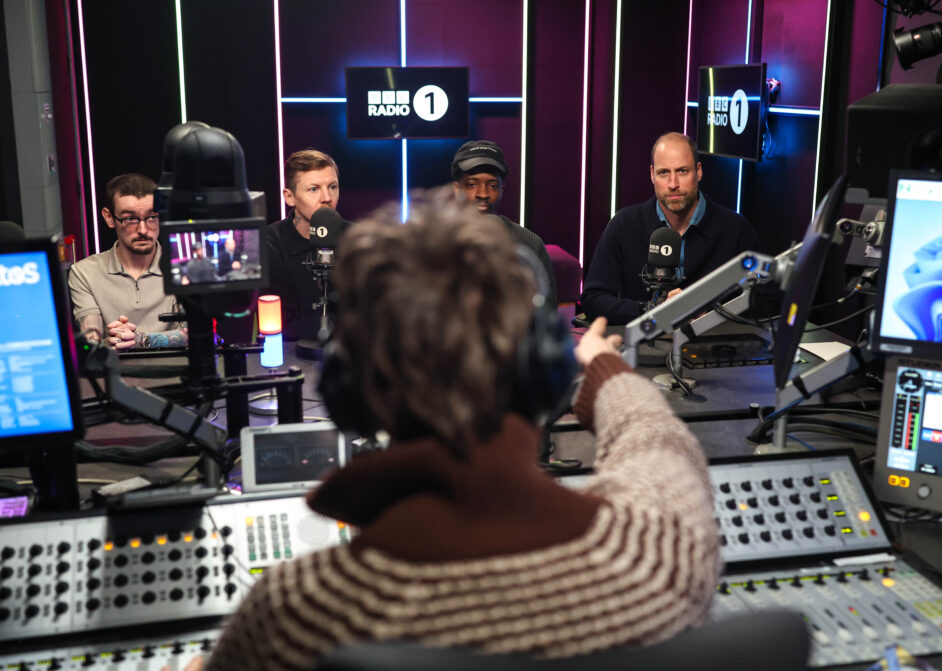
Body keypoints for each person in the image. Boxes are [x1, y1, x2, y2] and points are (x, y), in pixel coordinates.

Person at [203, 191, 719, 671]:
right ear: (540, 369)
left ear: (355, 388)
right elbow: (662, 449)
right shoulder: (649, 557)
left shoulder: (294, 613)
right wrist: (603, 370)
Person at [580, 132, 759, 325]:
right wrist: (653, 311)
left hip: (709, 340)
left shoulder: (735, 229)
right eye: (664, 173)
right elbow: (592, 299)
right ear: (652, 174)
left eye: (682, 171)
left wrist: (710, 313)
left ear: (698, 171)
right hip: (644, 340)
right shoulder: (624, 225)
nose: (673, 184)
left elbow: (767, 299)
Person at [68, 173, 186, 349]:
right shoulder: (84, 272)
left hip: (176, 365)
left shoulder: (182, 264)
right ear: (109, 217)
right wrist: (109, 342)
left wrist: (140, 340)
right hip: (115, 364)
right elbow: (90, 340)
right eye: (130, 219)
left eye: (152, 217)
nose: (143, 230)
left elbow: (194, 333)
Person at [451, 140, 558, 303]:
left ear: (502, 189)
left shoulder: (529, 244)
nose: (483, 194)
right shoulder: (438, 244)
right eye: (472, 184)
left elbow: (547, 312)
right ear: (457, 189)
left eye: (492, 185)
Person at [265, 149, 351, 341]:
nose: (327, 197)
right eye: (314, 189)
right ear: (289, 197)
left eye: (332, 187)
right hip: (292, 352)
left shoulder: (356, 238)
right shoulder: (270, 244)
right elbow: (284, 324)